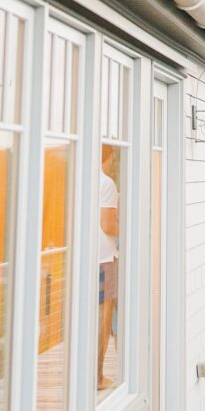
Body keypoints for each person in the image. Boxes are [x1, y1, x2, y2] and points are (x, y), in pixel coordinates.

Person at [98, 143, 119, 391]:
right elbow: (107, 225)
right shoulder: (106, 184)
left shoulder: (80, 177)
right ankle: (97, 377)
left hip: (85, 257)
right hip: (104, 258)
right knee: (104, 318)